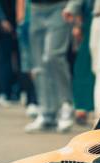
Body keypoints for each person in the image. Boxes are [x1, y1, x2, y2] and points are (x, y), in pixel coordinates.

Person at [24, 0, 75, 133]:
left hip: (60, 7)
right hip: (35, 8)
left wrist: (74, 5)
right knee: (39, 62)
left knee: (53, 56)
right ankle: (47, 112)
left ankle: (66, 105)